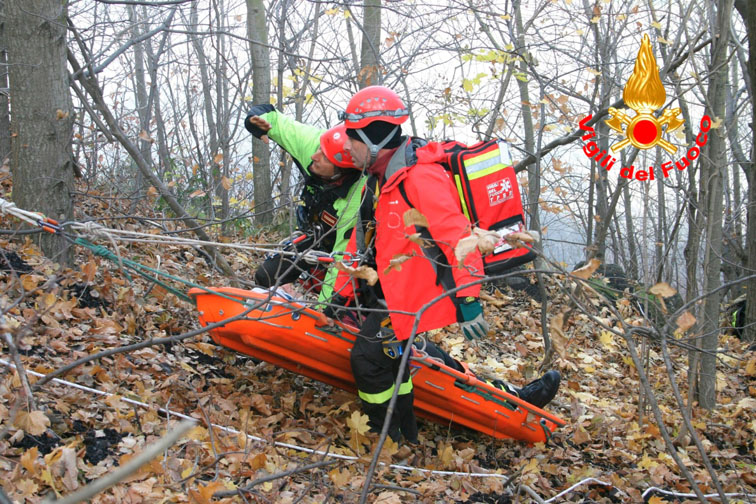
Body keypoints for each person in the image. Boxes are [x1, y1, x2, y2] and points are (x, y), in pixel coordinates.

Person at [332, 86, 560, 443]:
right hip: (394, 293)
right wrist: (340, 294)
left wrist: (469, 302)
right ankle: (403, 440)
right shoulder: (381, 180)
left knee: (367, 358)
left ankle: (386, 441)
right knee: (393, 362)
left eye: (352, 138)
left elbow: (460, 241)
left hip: (414, 296)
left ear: (375, 139)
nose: (346, 147)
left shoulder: (420, 177)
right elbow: (361, 242)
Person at [244, 105, 365, 304]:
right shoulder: (314, 144)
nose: (314, 157)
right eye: (319, 149)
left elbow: (343, 261)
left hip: (348, 253)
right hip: (314, 235)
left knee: (345, 300)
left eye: (324, 157)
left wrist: (325, 313)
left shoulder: (356, 198)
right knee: (267, 275)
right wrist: (255, 121)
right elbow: (277, 121)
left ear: (340, 171)